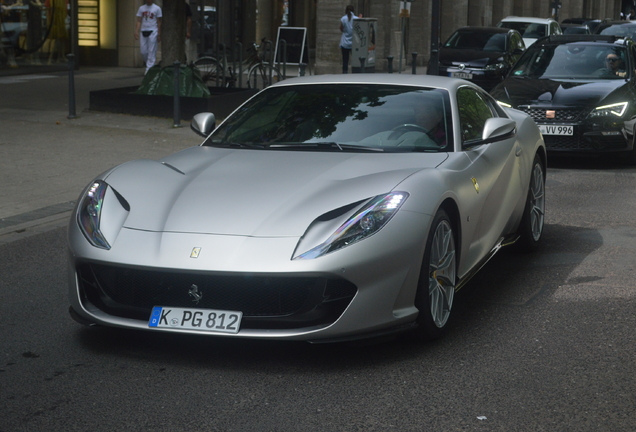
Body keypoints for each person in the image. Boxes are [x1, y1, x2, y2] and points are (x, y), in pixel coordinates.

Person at [134, 0, 162, 73]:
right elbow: (139, 20)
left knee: (151, 50)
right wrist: (136, 31)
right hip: (143, 30)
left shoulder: (157, 8)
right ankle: (151, 64)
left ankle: (148, 69)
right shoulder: (141, 8)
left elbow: (159, 22)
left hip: (153, 30)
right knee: (143, 51)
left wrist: (159, 33)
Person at [339, 5, 359, 74]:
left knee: (345, 60)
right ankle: (355, 72)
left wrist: (345, 31)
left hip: (344, 42)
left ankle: (345, 73)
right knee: (355, 59)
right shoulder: (356, 18)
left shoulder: (343, 18)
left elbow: (341, 28)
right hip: (354, 43)